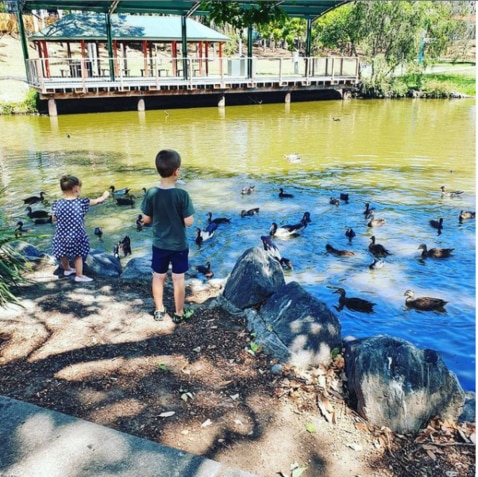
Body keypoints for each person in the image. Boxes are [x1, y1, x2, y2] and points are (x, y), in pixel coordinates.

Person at [141, 149, 195, 323]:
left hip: (159, 244)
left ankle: (159, 310)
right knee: (178, 278)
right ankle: (179, 313)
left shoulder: (150, 193)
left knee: (158, 276)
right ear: (177, 171)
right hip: (179, 245)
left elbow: (146, 219)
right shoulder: (182, 195)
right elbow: (189, 222)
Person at [51, 175, 110, 282]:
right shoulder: (82, 202)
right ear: (76, 189)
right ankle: (79, 276)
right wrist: (104, 196)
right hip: (77, 236)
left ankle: (67, 269)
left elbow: (54, 218)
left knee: (63, 253)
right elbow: (97, 201)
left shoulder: (58, 203)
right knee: (78, 256)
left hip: (61, 235)